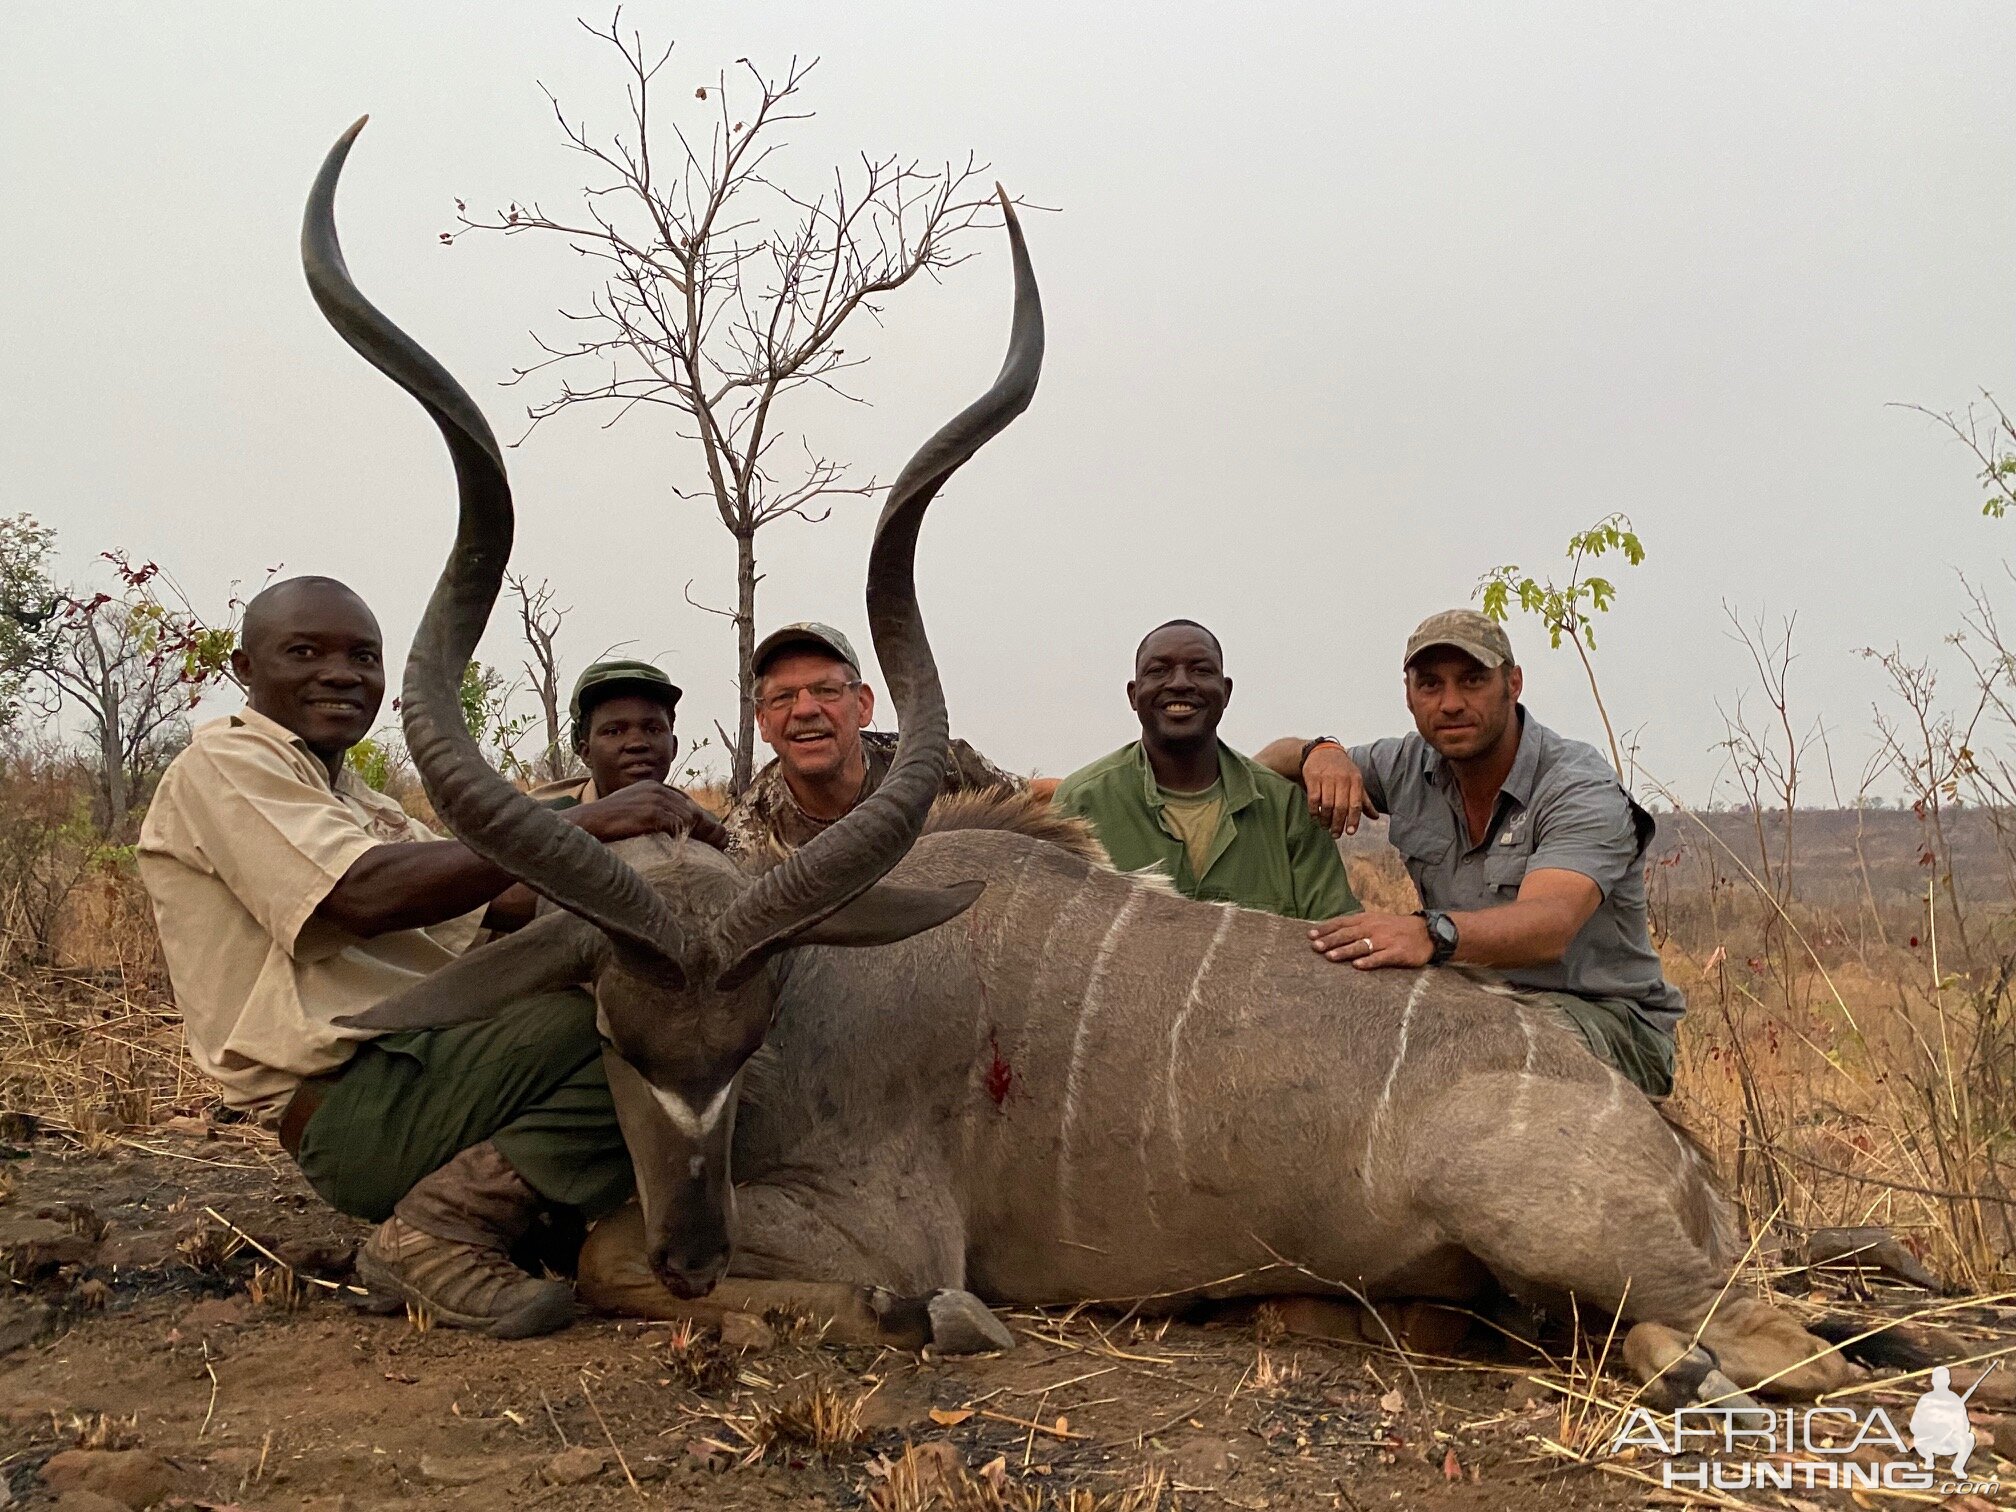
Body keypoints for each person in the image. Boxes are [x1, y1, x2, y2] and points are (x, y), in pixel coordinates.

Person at [137, 576, 720, 1338]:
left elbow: (507, 902)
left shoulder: (360, 802)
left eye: (363, 657)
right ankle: (439, 1231)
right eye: (305, 652)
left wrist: (695, 895)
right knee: (639, 1028)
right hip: (356, 1104)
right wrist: (589, 827)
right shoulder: (226, 766)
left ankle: (537, 1214)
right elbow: (363, 894)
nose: (342, 674)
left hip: (417, 1070)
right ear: (245, 670)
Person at [1256, 608, 1683, 1097]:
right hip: (1473, 1003)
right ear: (1409, 695)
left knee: (1468, 1055)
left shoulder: (1576, 785)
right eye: (1430, 685)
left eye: (1473, 680)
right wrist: (1319, 752)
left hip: (1603, 1019)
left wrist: (1429, 934)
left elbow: (1551, 924)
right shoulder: (1408, 762)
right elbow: (1259, 773)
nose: (1451, 703)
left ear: (1513, 683)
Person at [1052, 620, 1355, 920]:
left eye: (1200, 670)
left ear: (1225, 692)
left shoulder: (1287, 808)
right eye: (1159, 671)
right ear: (1134, 695)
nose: (1180, 683)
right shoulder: (1081, 802)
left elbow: (1338, 930)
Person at [723, 621, 1020, 854]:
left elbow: (1034, 797)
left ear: (863, 705)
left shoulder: (934, 763)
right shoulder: (745, 837)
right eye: (783, 697)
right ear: (762, 721)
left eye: (826, 690)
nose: (805, 710)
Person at [528, 658, 729, 848]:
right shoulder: (544, 814)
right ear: (586, 752)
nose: (637, 744)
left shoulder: (702, 825)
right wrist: (600, 819)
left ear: (674, 747)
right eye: (613, 731)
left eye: (653, 730)